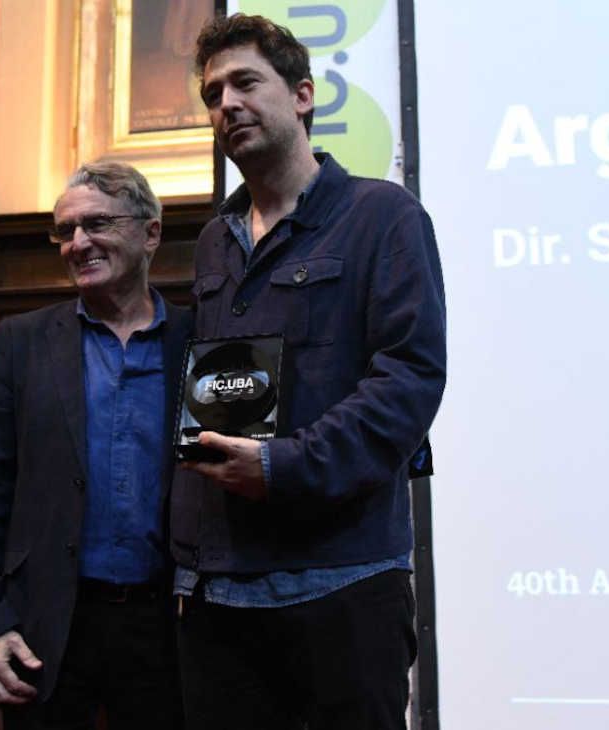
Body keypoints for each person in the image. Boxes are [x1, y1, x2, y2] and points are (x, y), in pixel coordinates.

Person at [170, 14, 448, 730]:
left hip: (342, 587)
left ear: (301, 95)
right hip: (218, 598)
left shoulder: (383, 216)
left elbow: (408, 379)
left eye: (244, 82)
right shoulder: (213, 243)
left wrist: (283, 467)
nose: (225, 103)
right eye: (211, 93)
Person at [0, 161, 190, 729]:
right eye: (65, 231)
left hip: (171, 633)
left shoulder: (198, 341)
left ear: (150, 232)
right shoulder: (22, 343)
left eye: (97, 224)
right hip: (48, 632)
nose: (78, 243)